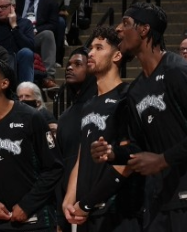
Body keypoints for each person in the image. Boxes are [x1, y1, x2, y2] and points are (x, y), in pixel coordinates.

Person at [90, 3, 187, 231]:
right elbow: (140, 146)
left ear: (144, 30)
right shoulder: (136, 89)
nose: (118, 29)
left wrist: (163, 159)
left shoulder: (177, 70)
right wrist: (113, 153)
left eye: (125, 24)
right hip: (160, 201)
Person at [0, 60, 62, 231]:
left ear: (4, 83)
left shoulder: (30, 117)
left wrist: (27, 205)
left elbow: (54, 167)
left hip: (36, 218)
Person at [62, 27, 137, 231]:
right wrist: (69, 199)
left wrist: (88, 202)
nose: (91, 53)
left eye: (98, 48)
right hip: (88, 213)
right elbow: (81, 157)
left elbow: (129, 160)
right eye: (90, 48)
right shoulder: (88, 104)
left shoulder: (127, 95)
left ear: (117, 55)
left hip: (117, 210)